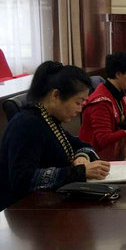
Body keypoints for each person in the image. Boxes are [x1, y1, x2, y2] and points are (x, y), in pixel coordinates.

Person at [0, 61, 110, 210]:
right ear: (56, 95)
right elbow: (23, 179)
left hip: (50, 204)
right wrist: (79, 172)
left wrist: (81, 157)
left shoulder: (48, 120)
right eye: (78, 102)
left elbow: (82, 145)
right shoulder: (26, 125)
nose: (80, 109)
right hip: (26, 212)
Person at [79, 52, 126, 154]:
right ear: (118, 74)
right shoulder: (100, 102)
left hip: (117, 151)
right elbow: (104, 140)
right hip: (96, 156)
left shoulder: (119, 94)